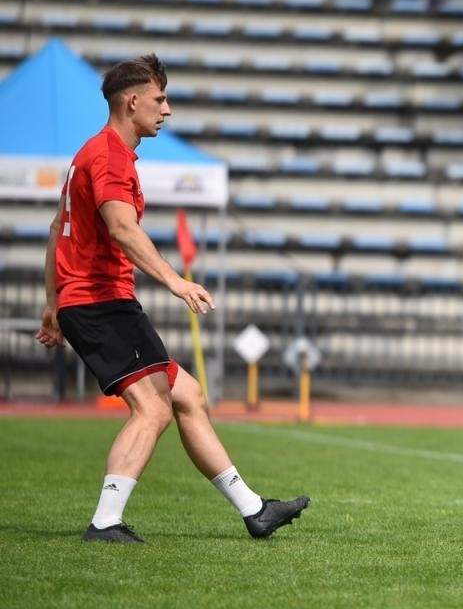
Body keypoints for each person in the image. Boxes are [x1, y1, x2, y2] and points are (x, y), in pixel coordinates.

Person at [36, 53, 309, 545]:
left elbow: (59, 228)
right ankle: (105, 523)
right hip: (102, 303)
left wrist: (54, 304)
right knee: (153, 409)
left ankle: (254, 511)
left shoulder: (90, 154)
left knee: (188, 395)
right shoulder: (110, 156)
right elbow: (121, 227)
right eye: (160, 100)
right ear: (132, 100)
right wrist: (175, 280)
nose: (167, 110)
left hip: (89, 301)